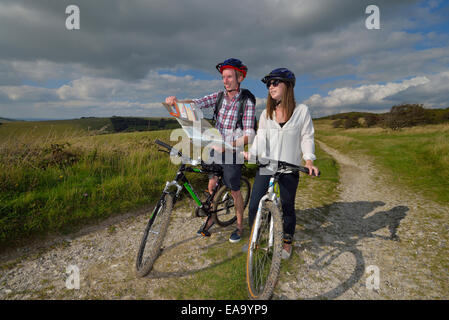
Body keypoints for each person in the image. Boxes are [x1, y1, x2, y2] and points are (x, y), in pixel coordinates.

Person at [165, 58, 256, 243]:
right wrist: (177, 102)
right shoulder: (219, 96)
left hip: (232, 151)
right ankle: (211, 218)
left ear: (240, 77)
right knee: (211, 184)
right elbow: (196, 103)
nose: (225, 80)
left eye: (229, 76)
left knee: (235, 191)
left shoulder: (247, 101)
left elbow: (249, 134)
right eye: (223, 77)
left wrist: (228, 144)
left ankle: (239, 226)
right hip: (214, 148)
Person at [243, 68, 319, 259]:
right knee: (254, 205)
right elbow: (260, 138)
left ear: (288, 85)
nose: (271, 86)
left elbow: (306, 136)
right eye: (269, 84)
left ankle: (286, 241)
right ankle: (255, 237)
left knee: (287, 206)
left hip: (289, 167)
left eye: (275, 82)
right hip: (267, 165)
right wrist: (251, 154)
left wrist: (308, 159)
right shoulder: (267, 113)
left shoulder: (302, 111)